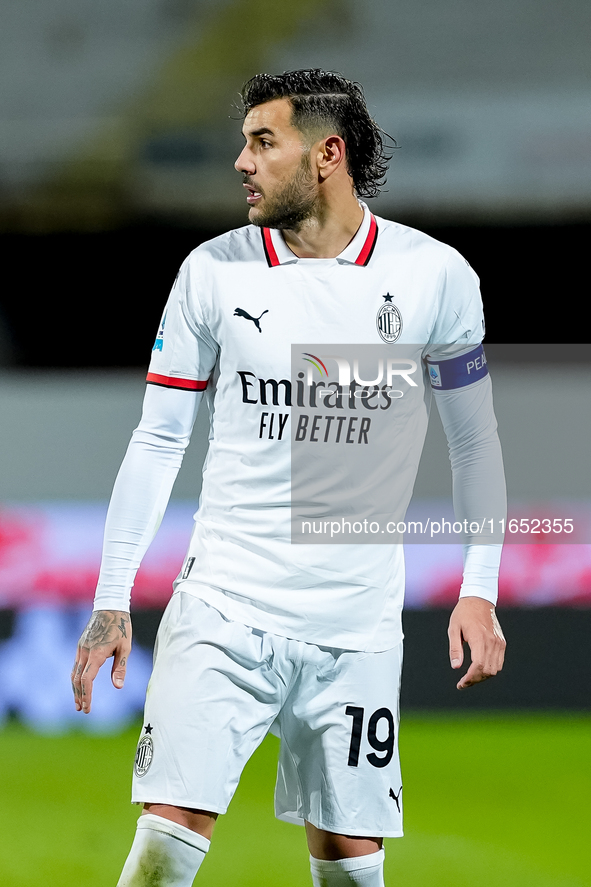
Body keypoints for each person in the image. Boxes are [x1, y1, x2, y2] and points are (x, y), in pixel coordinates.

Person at [72, 69, 506, 887]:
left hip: (356, 627)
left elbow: (474, 441)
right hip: (225, 607)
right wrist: (110, 598)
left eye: (262, 142)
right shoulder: (212, 270)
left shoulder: (433, 275)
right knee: (165, 842)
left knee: (349, 867)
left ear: (325, 155)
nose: (240, 161)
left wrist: (477, 588)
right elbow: (159, 436)